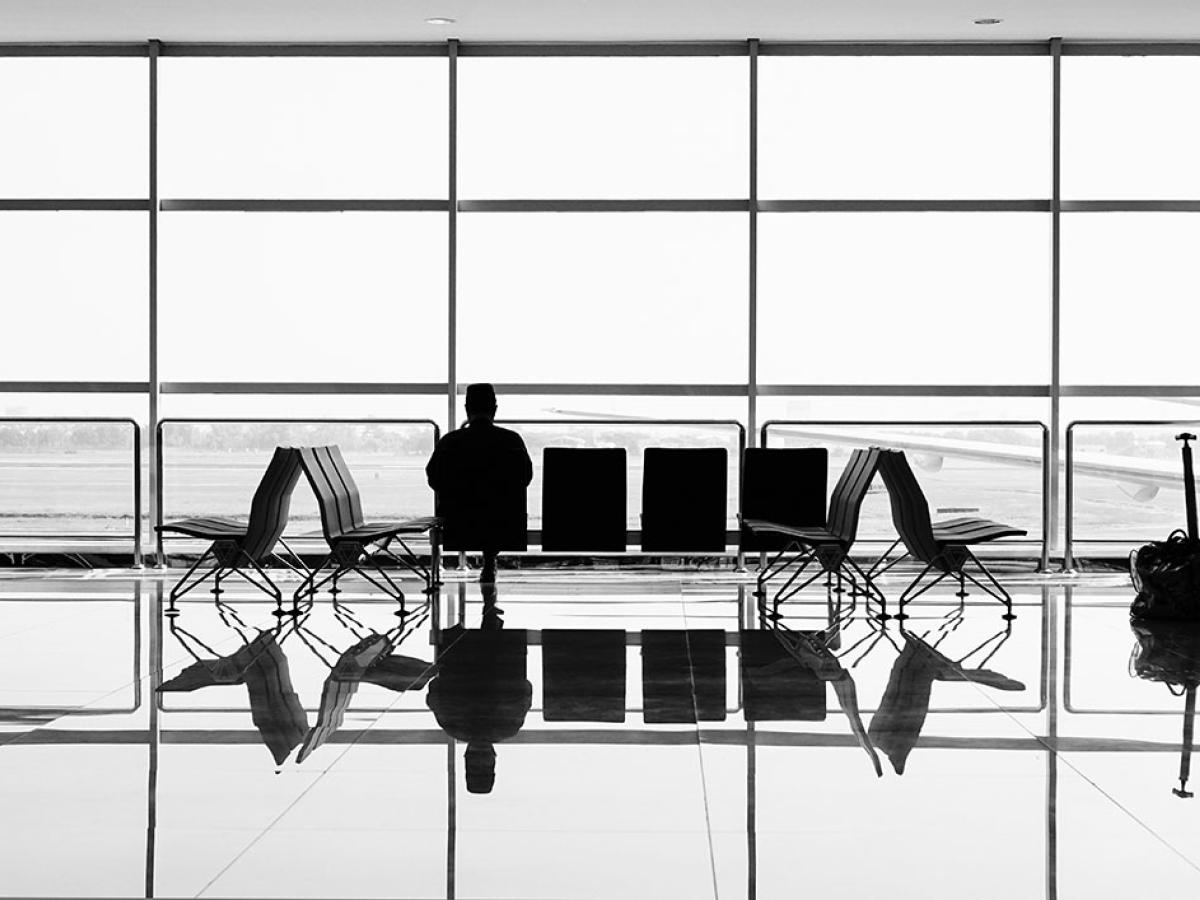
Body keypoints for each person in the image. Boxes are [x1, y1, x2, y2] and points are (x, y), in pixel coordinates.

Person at [426, 383, 533, 582]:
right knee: (494, 509)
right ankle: (490, 561)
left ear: (467, 409)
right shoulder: (512, 441)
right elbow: (525, 477)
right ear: (494, 409)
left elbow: (434, 478)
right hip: (505, 523)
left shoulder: (450, 442)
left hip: (459, 522)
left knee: (477, 510)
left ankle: (480, 563)